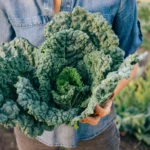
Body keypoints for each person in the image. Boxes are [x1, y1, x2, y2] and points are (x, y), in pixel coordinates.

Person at [0, 0, 143, 150]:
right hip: (37, 133)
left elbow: (129, 61)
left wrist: (104, 100)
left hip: (94, 133)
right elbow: (6, 61)